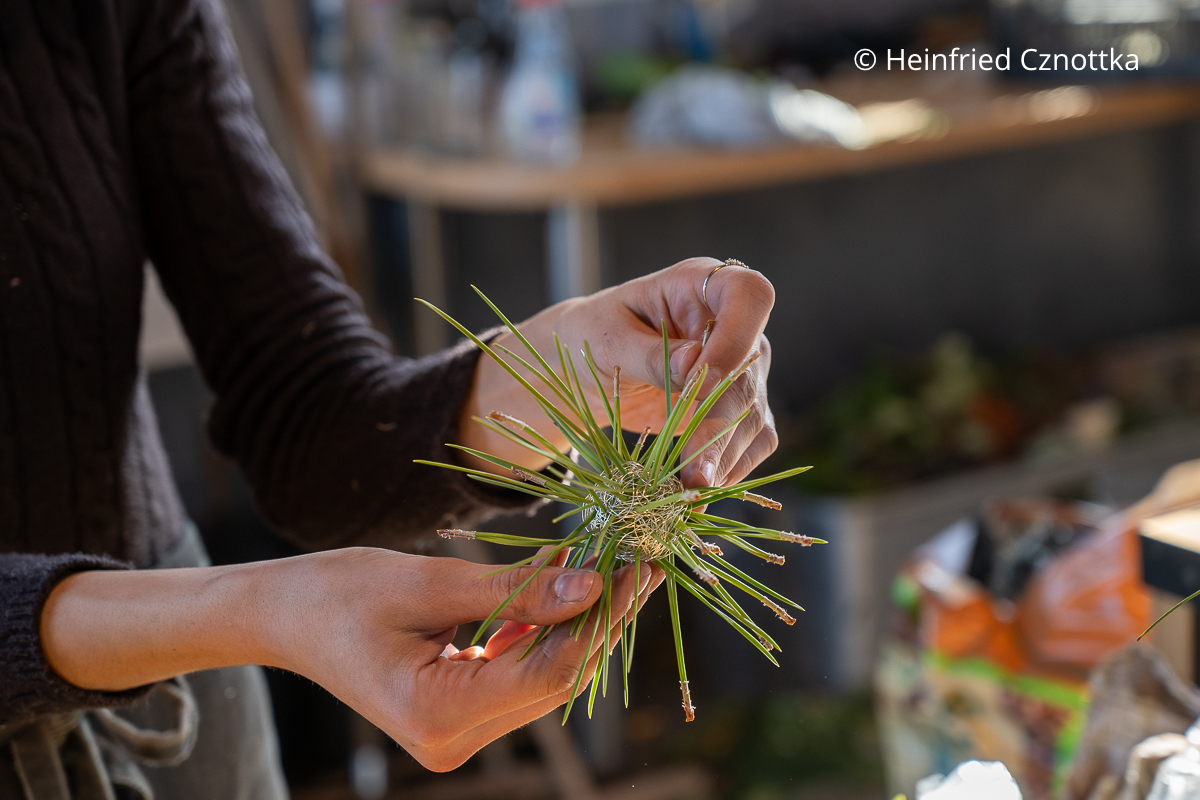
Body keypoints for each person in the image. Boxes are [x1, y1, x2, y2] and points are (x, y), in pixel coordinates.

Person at [0, 0, 777, 795]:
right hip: (190, 635)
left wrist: (554, 368)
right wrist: (252, 611)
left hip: (181, 704)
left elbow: (306, 412)